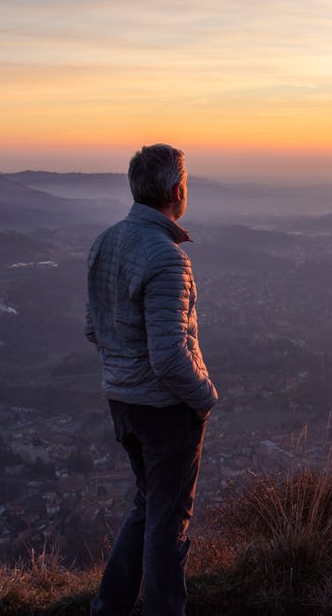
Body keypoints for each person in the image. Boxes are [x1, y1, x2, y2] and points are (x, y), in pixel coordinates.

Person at [85, 143, 218, 616]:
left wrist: (123, 373)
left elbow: (92, 327)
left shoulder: (105, 242)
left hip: (121, 401)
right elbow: (168, 356)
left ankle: (110, 605)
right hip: (165, 409)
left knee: (148, 507)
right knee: (168, 523)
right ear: (177, 190)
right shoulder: (167, 259)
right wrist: (205, 398)